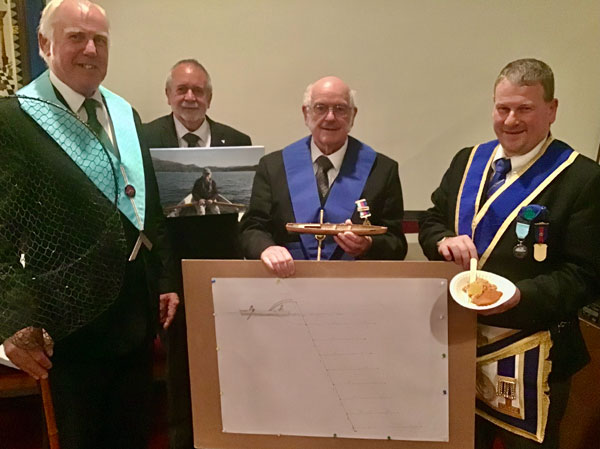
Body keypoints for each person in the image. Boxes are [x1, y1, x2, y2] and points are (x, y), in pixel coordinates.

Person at [0, 1, 179, 448]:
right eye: (76, 37)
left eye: (100, 39)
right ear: (44, 44)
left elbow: (147, 209)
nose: (91, 49)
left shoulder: (125, 114)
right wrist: (12, 319)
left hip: (137, 318)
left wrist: (163, 281)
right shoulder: (15, 119)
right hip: (68, 328)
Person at [418, 58, 600, 448]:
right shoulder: (468, 161)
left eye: (525, 109)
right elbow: (434, 218)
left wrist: (520, 297)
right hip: (458, 344)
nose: (511, 120)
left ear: (552, 110)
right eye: (503, 108)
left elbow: (585, 276)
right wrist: (442, 239)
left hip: (533, 352)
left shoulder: (582, 178)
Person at [240, 76, 407, 277]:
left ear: (353, 115)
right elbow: (252, 228)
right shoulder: (274, 167)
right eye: (320, 108)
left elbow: (396, 243)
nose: (330, 117)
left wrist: (368, 245)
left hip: (356, 289)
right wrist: (266, 248)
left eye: (340, 109)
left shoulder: (381, 170)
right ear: (306, 113)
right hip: (287, 284)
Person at [143, 58, 252, 148]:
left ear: (209, 98)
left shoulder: (238, 143)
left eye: (198, 90)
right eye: (182, 89)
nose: (190, 97)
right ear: (168, 95)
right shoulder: (144, 138)